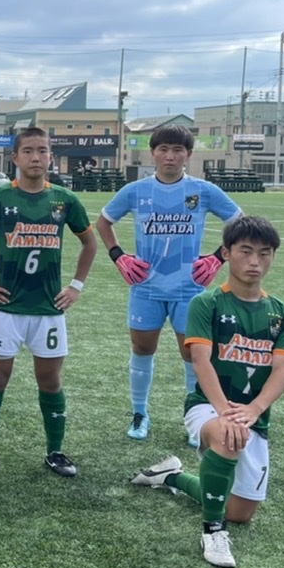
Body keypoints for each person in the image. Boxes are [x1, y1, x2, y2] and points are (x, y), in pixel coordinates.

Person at [131, 216, 284, 568]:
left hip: (253, 416)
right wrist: (224, 411)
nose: (255, 261)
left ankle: (170, 476)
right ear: (226, 253)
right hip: (207, 406)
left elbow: (282, 371)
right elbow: (200, 360)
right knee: (227, 436)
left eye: (264, 253)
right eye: (246, 251)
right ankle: (212, 532)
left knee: (240, 513)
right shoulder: (207, 304)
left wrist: (254, 409)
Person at [0, 127, 97, 478]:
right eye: (28, 151)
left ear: (51, 157)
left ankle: (55, 451)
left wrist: (76, 286)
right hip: (6, 309)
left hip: (49, 310)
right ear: (14, 157)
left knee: (50, 381)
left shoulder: (64, 200)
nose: (36, 157)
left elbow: (90, 242)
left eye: (43, 150)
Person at [96, 125, 242, 440]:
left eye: (177, 150)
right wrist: (119, 256)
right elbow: (104, 221)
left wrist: (217, 257)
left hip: (189, 289)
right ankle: (139, 414)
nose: (170, 156)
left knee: (194, 356)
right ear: (153, 153)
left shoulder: (203, 190)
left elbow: (238, 222)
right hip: (146, 288)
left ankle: (196, 420)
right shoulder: (135, 191)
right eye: (163, 149)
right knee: (142, 348)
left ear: (188, 154)